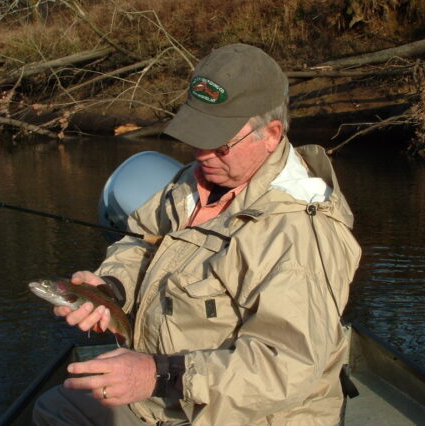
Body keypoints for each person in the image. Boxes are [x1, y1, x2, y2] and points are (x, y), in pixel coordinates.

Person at [33, 43, 361, 425]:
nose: (201, 154)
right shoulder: (194, 180)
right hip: (166, 396)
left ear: (270, 135)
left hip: (248, 415)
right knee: (58, 408)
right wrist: (111, 290)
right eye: (196, 135)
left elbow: (284, 366)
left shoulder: (298, 232)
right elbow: (139, 240)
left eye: (219, 142)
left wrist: (157, 374)